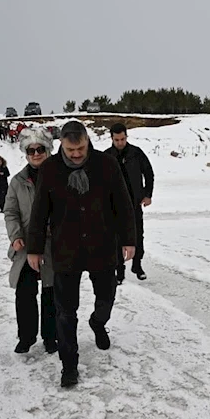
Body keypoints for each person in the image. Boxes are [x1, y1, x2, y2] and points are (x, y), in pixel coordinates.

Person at [27, 121, 136, 388]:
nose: (76, 154)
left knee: (107, 297)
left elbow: (123, 203)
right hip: (66, 250)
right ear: (61, 144)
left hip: (102, 246)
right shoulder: (51, 169)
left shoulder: (106, 164)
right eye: (70, 149)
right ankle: (69, 365)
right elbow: (39, 211)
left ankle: (98, 323)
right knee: (66, 312)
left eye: (81, 148)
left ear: (88, 141)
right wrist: (35, 247)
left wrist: (129, 240)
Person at [3, 128, 57, 355]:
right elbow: (10, 212)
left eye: (40, 149)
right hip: (25, 247)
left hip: (52, 247)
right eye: (31, 150)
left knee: (51, 294)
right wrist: (15, 236)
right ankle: (26, 337)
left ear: (48, 150)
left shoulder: (59, 176)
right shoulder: (17, 181)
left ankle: (51, 337)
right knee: (24, 294)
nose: (36, 154)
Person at [104, 122, 154, 283]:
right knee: (117, 238)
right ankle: (120, 271)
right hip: (114, 206)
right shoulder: (106, 156)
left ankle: (137, 265)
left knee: (138, 235)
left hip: (134, 203)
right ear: (111, 138)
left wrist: (148, 195)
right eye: (117, 139)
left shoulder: (136, 153)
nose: (120, 142)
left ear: (126, 137)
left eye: (123, 139)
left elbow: (149, 173)